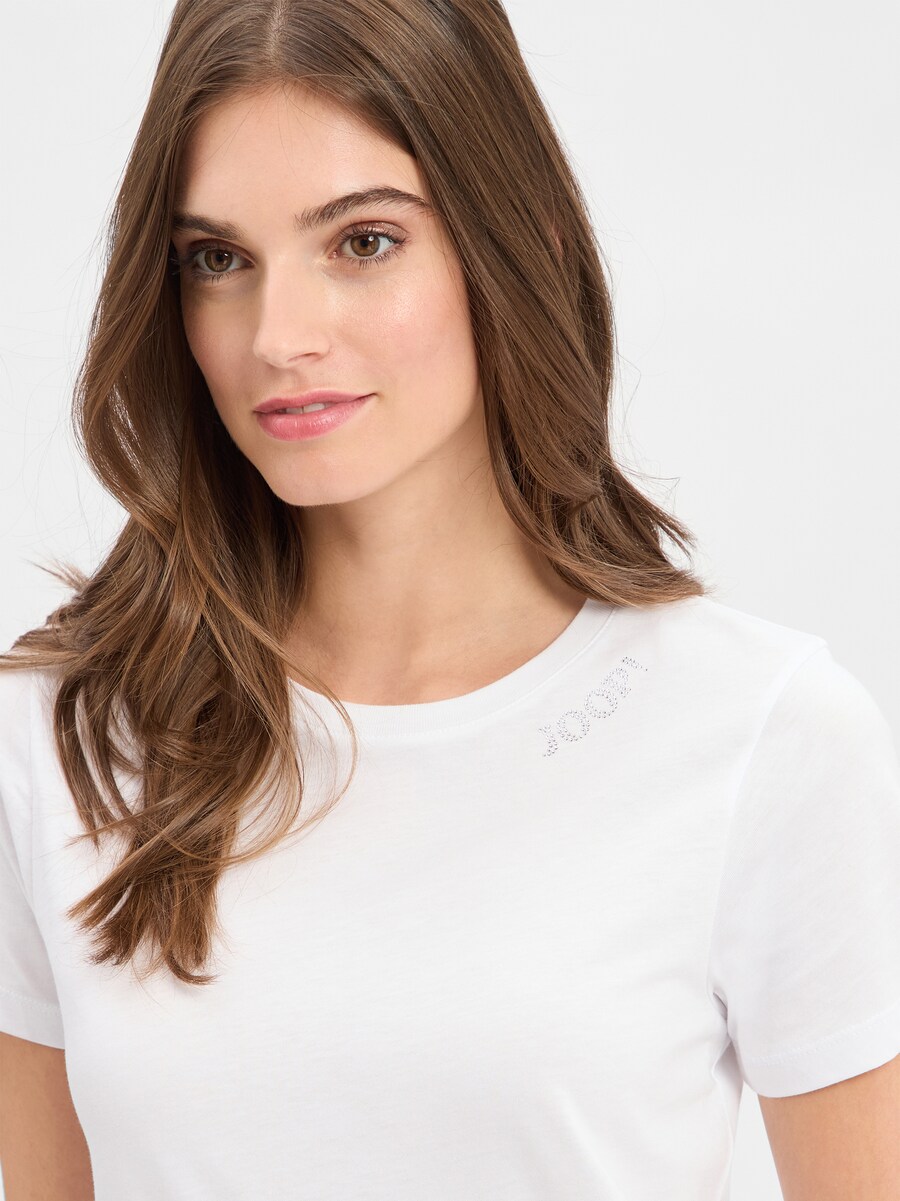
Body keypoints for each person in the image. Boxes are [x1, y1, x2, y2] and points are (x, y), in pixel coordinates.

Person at [1, 2, 898, 1199]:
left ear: (512, 241)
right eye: (218, 259)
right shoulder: (65, 734)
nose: (279, 336)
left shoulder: (763, 737)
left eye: (363, 241)